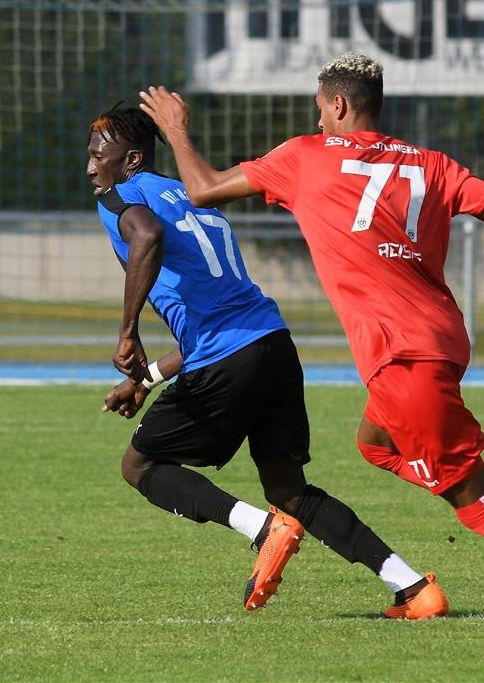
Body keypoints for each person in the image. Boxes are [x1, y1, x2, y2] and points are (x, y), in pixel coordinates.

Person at [139, 52, 484, 634]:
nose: (318, 120)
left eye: (320, 109)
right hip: (441, 342)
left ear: (338, 104)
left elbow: (203, 188)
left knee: (479, 510)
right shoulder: (433, 164)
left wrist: (175, 129)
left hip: (401, 358)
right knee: (373, 443)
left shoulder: (305, 158)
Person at [88, 104, 447, 618]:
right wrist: (146, 378)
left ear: (131, 160)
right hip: (272, 346)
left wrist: (127, 334)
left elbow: (145, 236)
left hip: (226, 360)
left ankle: (261, 529)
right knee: (290, 491)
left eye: (99, 154)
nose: (90, 167)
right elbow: (209, 322)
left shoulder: (118, 196)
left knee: (140, 464)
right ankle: (414, 588)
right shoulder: (192, 197)